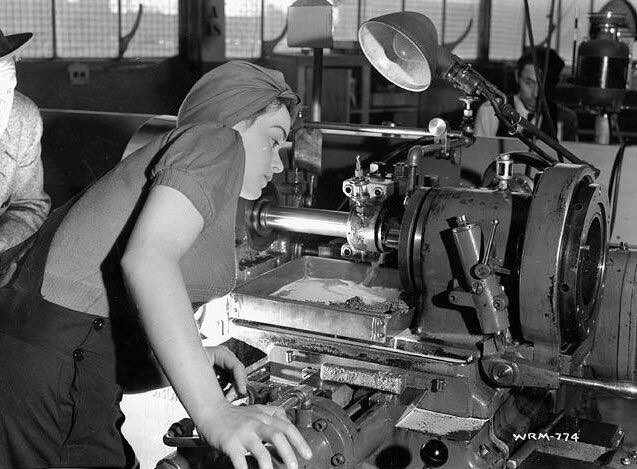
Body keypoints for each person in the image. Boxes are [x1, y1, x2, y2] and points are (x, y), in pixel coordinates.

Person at [0, 61, 313, 469]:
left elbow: (100, 328)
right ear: (233, 122)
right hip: (51, 371)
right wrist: (214, 414)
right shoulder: (217, 142)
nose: (278, 165)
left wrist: (191, 360)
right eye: (273, 141)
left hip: (51, 362)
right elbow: (147, 260)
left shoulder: (185, 160)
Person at [0, 27, 50, 283]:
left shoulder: (22, 117)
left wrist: (3, 245)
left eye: (6, 92)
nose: (3, 109)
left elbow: (28, 205)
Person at [474, 47, 578, 141]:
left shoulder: (565, 119)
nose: (536, 94)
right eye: (529, 83)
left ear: (554, 84)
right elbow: (480, 156)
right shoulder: (491, 111)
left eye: (544, 86)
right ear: (517, 76)